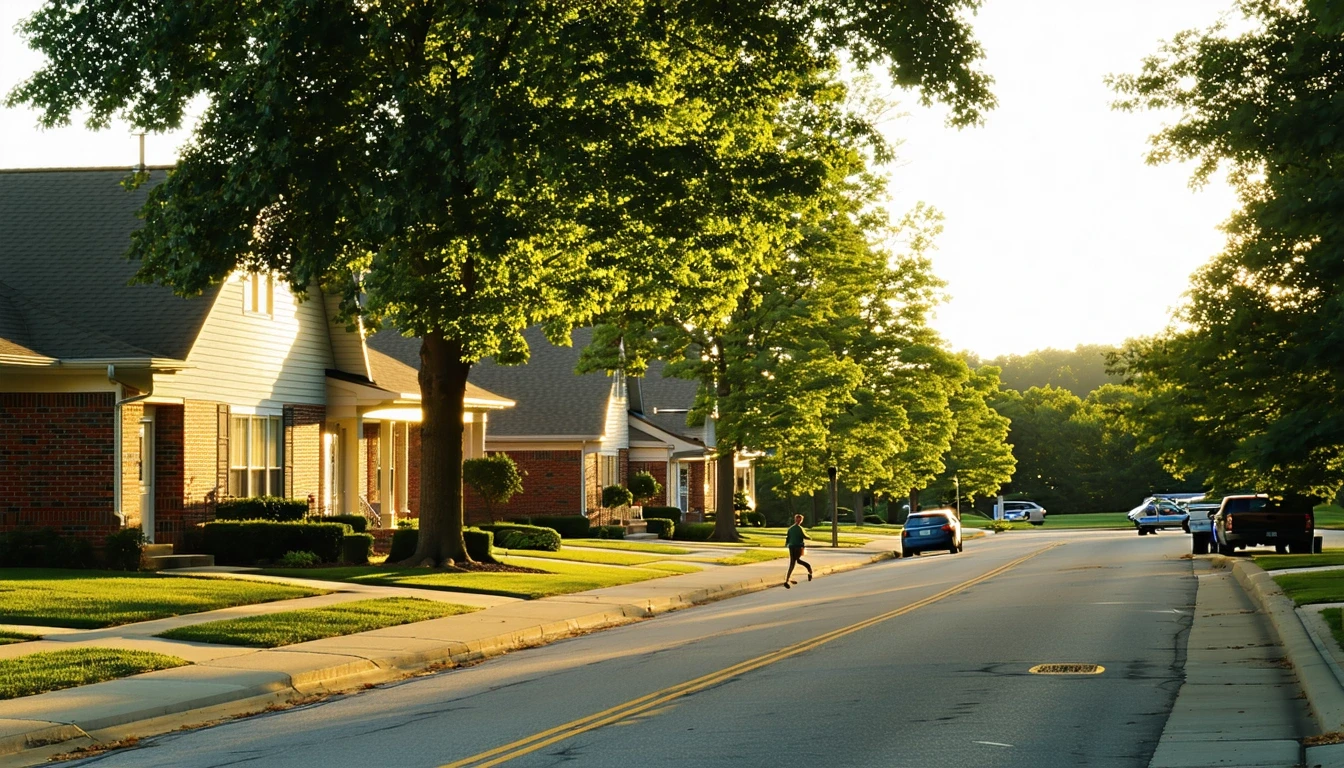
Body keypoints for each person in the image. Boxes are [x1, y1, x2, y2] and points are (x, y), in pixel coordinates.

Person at [783, 514, 812, 588]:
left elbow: (788, 538)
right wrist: (810, 538)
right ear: (801, 520)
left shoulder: (790, 528)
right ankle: (809, 569)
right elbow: (804, 536)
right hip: (798, 547)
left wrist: (786, 544)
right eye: (798, 519)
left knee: (792, 562)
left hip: (791, 546)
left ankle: (787, 579)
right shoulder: (800, 528)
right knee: (798, 560)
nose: (798, 521)